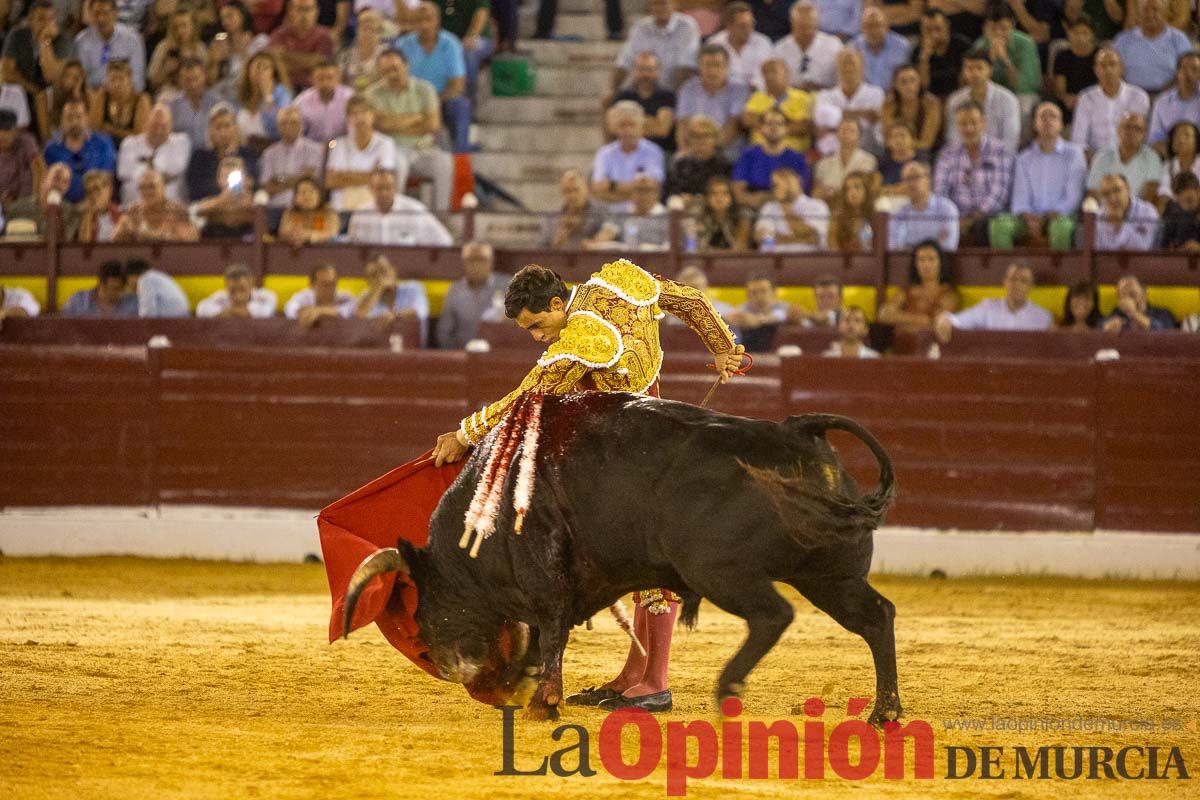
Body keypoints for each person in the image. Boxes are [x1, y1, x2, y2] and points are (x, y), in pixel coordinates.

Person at [430, 259, 741, 715]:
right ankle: (636, 674)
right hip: (647, 433)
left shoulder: (582, 340)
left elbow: (528, 397)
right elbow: (688, 299)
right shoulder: (615, 280)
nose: (538, 337)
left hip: (631, 452)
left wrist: (464, 434)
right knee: (640, 564)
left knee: (651, 561)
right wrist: (724, 347)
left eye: (538, 325)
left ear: (558, 304)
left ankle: (656, 681)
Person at [365, 49, 453, 212]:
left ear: (406, 66)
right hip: (392, 149)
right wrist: (416, 118)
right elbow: (378, 125)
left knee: (444, 162)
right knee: (398, 165)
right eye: (385, 71)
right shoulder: (372, 93)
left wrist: (393, 122)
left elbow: (432, 125)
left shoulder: (425, 89)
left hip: (423, 149)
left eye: (395, 69)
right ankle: (396, 214)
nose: (391, 75)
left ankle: (441, 216)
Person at [991, 102, 1086, 250]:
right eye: (1043, 117)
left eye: (1053, 117)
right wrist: (1029, 218)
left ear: (1061, 125)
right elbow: (1019, 197)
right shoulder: (1023, 158)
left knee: (1060, 228)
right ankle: (1008, 272)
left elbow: (1072, 198)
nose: (1048, 120)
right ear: (1035, 124)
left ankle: (1060, 273)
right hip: (1028, 217)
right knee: (999, 225)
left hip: (1060, 217)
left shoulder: (1074, 155)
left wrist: (1049, 217)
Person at [933, 101, 1015, 246]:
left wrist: (973, 218)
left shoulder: (1001, 151)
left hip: (990, 216)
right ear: (957, 126)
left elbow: (999, 193)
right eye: (963, 124)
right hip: (955, 217)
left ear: (983, 123)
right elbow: (940, 191)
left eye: (973, 122)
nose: (969, 128)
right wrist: (954, 218)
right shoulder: (947, 154)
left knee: (983, 227)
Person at [393, 2, 471, 153]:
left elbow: (457, 85)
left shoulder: (451, 43)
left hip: (442, 98)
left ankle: (460, 156)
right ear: (413, 23)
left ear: (437, 21)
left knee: (461, 105)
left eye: (428, 19)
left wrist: (433, 102)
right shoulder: (402, 45)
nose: (424, 25)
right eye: (419, 20)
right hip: (411, 100)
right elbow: (397, 81)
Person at [934, 261, 1052, 342]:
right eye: (1013, 279)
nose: (1017, 284)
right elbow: (959, 319)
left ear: (1031, 287)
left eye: (1023, 280)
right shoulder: (988, 307)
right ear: (1004, 282)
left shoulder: (1043, 317)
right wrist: (945, 319)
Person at [1070, 47, 1150, 158]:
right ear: (1096, 70)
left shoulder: (1138, 97)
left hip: (1129, 157)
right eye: (1103, 65)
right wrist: (1095, 161)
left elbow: (1140, 137)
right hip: (1094, 160)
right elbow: (1078, 140)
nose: (1108, 70)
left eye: (1112, 64)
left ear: (1121, 68)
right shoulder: (1086, 98)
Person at [610, 0, 700, 96]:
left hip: (677, 91)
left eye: (664, 3)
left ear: (674, 4)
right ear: (649, 6)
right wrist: (612, 92)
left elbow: (686, 67)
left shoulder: (687, 26)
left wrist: (676, 99)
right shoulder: (640, 28)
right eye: (655, 3)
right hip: (646, 93)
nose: (660, 8)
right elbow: (623, 64)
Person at [346, 167, 453, 246]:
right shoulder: (360, 214)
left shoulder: (415, 211)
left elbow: (445, 241)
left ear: (396, 188)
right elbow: (352, 248)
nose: (384, 193)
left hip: (408, 274)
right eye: (379, 188)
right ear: (371, 189)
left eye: (388, 188)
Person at [673, 44, 749, 155]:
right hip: (693, 151)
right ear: (699, 67)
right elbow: (682, 126)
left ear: (726, 67)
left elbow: (732, 128)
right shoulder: (688, 88)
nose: (712, 71)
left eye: (717, 65)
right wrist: (685, 150)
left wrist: (707, 153)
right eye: (707, 65)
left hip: (725, 151)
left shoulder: (738, 90)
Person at [325, 96, 396, 212]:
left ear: (373, 115)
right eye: (354, 114)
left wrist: (344, 175)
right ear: (348, 118)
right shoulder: (338, 144)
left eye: (364, 112)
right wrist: (369, 175)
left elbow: (383, 181)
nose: (359, 117)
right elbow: (331, 181)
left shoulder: (386, 143)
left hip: (372, 210)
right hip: (341, 210)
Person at [590, 101, 665, 210]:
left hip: (644, 214)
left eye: (632, 125)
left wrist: (612, 186)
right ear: (615, 128)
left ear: (641, 126)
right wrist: (636, 191)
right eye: (622, 125)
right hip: (611, 214)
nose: (627, 130)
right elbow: (598, 189)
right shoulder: (604, 153)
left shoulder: (653, 152)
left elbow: (651, 188)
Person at [434, 240, 509, 349]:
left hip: (499, 355)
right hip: (463, 356)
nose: (476, 265)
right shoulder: (455, 290)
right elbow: (444, 332)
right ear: (463, 263)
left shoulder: (508, 286)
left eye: (481, 260)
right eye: (471, 260)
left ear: (491, 262)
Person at [943, 48, 1020, 152]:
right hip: (963, 158)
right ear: (964, 72)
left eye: (979, 68)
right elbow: (952, 137)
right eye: (969, 68)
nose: (974, 73)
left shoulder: (1008, 99)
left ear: (990, 70)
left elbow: (1011, 139)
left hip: (999, 157)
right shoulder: (955, 100)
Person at [732, 108, 810, 210]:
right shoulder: (747, 155)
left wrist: (765, 198)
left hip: (788, 210)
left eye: (779, 124)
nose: (774, 127)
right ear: (760, 128)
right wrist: (753, 200)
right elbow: (738, 192)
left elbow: (798, 193)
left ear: (787, 129)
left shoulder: (798, 159)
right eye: (769, 123)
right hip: (752, 208)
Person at [812, 48, 883, 157]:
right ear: (837, 68)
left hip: (868, 153)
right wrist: (860, 114)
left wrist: (836, 122)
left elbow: (877, 122)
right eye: (844, 63)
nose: (848, 68)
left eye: (852, 63)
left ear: (862, 67)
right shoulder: (824, 96)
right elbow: (822, 126)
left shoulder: (876, 94)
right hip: (831, 156)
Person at [43, 98, 116, 203]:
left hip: (96, 204)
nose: (74, 122)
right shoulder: (51, 149)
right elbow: (49, 184)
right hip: (63, 207)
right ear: (62, 121)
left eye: (79, 117)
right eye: (69, 118)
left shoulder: (103, 144)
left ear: (87, 118)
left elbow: (105, 179)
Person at [116, 102, 190, 205]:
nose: (158, 131)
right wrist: (159, 175)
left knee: (172, 186)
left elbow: (176, 169)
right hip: (135, 201)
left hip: (171, 204)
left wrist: (143, 168)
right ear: (145, 124)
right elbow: (123, 172)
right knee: (129, 186)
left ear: (171, 126)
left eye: (163, 126)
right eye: (155, 126)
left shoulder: (181, 141)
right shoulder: (129, 143)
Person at [1112, 0, 1192, 94]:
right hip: (1130, 98)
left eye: (1155, 10)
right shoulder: (1122, 40)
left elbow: (1187, 73)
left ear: (1164, 13)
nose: (1150, 14)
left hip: (1170, 98)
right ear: (1138, 13)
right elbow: (1114, 74)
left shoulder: (1179, 40)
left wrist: (1163, 97)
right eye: (1145, 10)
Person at [878, 238, 959, 331]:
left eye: (931, 259)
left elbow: (934, 321)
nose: (926, 264)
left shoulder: (949, 294)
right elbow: (883, 315)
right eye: (921, 259)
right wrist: (920, 319)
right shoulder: (907, 291)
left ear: (940, 262)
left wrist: (900, 317)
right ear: (915, 264)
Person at [185, 103, 259, 202]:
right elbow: (195, 190)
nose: (223, 132)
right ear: (210, 131)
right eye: (218, 127)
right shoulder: (199, 157)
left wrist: (231, 154)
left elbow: (252, 183)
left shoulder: (248, 154)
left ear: (235, 128)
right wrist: (222, 190)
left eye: (227, 126)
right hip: (209, 208)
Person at [740, 57, 813, 154]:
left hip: (792, 152)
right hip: (759, 152)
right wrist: (785, 124)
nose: (769, 76)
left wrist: (766, 125)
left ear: (787, 75)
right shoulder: (757, 96)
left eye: (774, 72)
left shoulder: (803, 97)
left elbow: (803, 127)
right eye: (765, 73)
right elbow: (747, 119)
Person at [1, 1, 70, 102]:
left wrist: (44, 41)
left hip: (50, 98)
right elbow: (7, 73)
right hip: (22, 92)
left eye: (50, 19)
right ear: (30, 20)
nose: (46, 24)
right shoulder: (17, 35)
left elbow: (51, 76)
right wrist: (35, 91)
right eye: (41, 19)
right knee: (10, 89)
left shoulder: (62, 41)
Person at [609, 51, 676, 155]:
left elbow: (662, 130)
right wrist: (652, 122)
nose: (645, 74)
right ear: (634, 71)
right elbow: (613, 127)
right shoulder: (622, 95)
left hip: (662, 152)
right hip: (626, 151)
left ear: (658, 71)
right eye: (641, 69)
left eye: (649, 69)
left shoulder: (667, 96)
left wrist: (629, 123)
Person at [258, 105, 324, 210]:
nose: (288, 126)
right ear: (278, 126)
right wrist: (300, 178)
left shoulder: (315, 150)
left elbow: (313, 183)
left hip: (306, 207)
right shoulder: (269, 154)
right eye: (284, 123)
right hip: (276, 209)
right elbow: (267, 188)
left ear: (302, 125)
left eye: (293, 122)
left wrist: (279, 180)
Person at [972, 3, 1041, 102]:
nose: (998, 33)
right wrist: (989, 60)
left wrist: (1006, 60)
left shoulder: (1026, 44)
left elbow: (1024, 87)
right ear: (985, 28)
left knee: (1024, 100)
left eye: (1003, 28)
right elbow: (975, 84)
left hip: (1020, 95)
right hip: (990, 95)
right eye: (992, 29)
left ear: (1013, 25)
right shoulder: (980, 45)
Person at [353, 253, 430, 342]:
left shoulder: (414, 288)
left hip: (412, 350)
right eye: (374, 275)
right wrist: (378, 288)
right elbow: (358, 317)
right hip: (379, 350)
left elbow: (420, 313)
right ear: (368, 282)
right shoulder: (366, 297)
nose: (380, 278)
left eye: (383, 271)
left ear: (394, 271)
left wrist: (394, 315)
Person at [1086, 112, 1162, 203]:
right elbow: (1093, 192)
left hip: (1138, 213)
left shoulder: (1152, 158)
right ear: (1118, 130)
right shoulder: (1102, 156)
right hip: (1106, 211)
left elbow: (1151, 196)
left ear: (1145, 134)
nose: (1131, 132)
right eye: (1127, 127)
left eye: (1137, 129)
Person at [73, 0, 147, 91]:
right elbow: (82, 78)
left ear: (115, 14)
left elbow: (138, 80)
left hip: (125, 93)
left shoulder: (133, 39)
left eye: (105, 13)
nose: (101, 19)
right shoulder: (82, 41)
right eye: (96, 14)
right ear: (90, 15)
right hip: (94, 94)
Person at [754, 166, 830, 253]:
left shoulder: (817, 205)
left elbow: (814, 239)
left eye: (785, 179)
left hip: (805, 260)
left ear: (798, 180)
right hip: (774, 261)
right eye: (775, 184)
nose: (781, 185)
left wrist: (785, 205)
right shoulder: (769, 207)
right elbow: (762, 238)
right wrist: (800, 239)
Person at [585, 173, 669, 251]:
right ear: (631, 193)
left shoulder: (668, 218)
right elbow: (605, 234)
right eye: (637, 190)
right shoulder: (619, 215)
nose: (642, 194)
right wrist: (594, 244)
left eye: (647, 190)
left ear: (657, 193)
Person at [888, 160, 959, 250]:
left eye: (916, 177)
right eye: (907, 179)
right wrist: (935, 242)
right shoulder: (899, 213)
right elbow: (895, 248)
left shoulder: (947, 209)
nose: (911, 183)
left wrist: (911, 247)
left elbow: (948, 246)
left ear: (928, 180)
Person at [112, 167, 198, 241]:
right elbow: (114, 242)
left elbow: (190, 241)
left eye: (152, 187)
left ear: (163, 188)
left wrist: (153, 238)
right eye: (142, 187)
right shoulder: (133, 212)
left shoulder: (178, 211)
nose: (146, 191)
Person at [772, 1, 842, 91]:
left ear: (817, 23)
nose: (806, 32)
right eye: (802, 26)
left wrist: (820, 89)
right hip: (791, 100)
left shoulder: (833, 45)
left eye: (809, 25)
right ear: (792, 24)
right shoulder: (780, 48)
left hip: (825, 99)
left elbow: (844, 82)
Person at [267, 0, 332, 91]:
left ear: (316, 11)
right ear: (290, 11)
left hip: (314, 88)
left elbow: (321, 63)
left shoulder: (324, 35)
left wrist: (286, 56)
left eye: (308, 9)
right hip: (285, 87)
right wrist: (309, 61)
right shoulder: (278, 34)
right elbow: (274, 63)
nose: (304, 14)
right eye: (299, 9)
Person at [663, 115, 732, 201]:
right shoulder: (680, 165)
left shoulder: (725, 166)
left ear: (715, 139)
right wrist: (680, 197)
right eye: (695, 136)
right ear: (689, 139)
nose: (701, 140)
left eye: (706, 135)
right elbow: (669, 193)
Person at [87, 58, 149, 152]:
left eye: (120, 78)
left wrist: (111, 130)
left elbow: (139, 137)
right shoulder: (102, 96)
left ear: (129, 79)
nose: (116, 84)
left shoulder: (141, 100)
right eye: (112, 79)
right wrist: (126, 133)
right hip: (105, 148)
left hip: (133, 149)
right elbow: (94, 129)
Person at [235, 51, 292, 152]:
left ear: (273, 72)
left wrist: (267, 96)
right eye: (257, 67)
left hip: (272, 148)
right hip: (243, 149)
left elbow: (279, 128)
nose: (260, 71)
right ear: (249, 70)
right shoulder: (239, 93)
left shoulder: (281, 93)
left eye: (266, 68)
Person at [707, 2, 772, 90]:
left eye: (751, 24)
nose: (748, 30)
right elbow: (712, 75)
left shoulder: (763, 43)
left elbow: (763, 77)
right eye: (743, 26)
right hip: (723, 95)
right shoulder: (714, 44)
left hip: (755, 96)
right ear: (729, 26)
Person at [911, 6, 971, 99]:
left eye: (938, 29)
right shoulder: (917, 51)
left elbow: (967, 80)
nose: (934, 35)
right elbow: (922, 87)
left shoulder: (962, 45)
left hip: (959, 96)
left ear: (947, 26)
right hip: (931, 98)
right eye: (928, 30)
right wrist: (924, 59)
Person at [881, 64, 941, 155]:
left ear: (919, 82)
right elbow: (887, 140)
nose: (909, 86)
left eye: (913, 80)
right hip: (895, 153)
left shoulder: (931, 104)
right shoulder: (889, 105)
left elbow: (927, 143)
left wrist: (901, 144)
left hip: (924, 153)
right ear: (895, 85)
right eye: (903, 82)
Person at [537, 169, 605, 249]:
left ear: (586, 189)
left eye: (576, 190)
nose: (572, 196)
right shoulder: (551, 217)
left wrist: (593, 244)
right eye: (567, 191)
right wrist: (555, 244)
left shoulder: (601, 213)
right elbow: (540, 249)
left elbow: (612, 238)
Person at [813, 117, 878, 202]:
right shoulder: (823, 163)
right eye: (843, 130)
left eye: (851, 130)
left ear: (859, 136)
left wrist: (834, 192)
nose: (846, 133)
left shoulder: (869, 160)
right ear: (837, 134)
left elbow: (866, 190)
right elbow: (816, 193)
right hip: (829, 205)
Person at [724, 271, 792, 349]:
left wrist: (759, 320)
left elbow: (781, 315)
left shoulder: (786, 308)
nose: (759, 297)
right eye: (754, 293)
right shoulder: (741, 311)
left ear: (774, 292)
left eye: (763, 291)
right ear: (747, 295)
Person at [147, 8, 206, 96]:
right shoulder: (163, 47)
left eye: (184, 26)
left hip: (195, 93)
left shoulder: (199, 48)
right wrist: (165, 70)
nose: (180, 31)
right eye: (176, 27)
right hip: (169, 93)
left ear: (192, 26)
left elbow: (208, 80)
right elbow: (152, 81)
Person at [851, 6, 912, 92]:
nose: (873, 31)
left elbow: (908, 77)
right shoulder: (853, 47)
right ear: (862, 28)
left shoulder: (902, 46)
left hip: (894, 96)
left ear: (886, 26)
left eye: (877, 25)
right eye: (868, 26)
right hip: (865, 97)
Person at [1051, 14, 1098, 123]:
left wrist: (1083, 100)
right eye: (1076, 33)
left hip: (1095, 100)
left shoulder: (1100, 55)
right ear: (1069, 34)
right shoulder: (1062, 56)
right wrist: (1065, 97)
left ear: (1092, 35)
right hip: (1070, 103)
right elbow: (1059, 87)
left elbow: (1104, 84)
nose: (1080, 37)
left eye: (1085, 33)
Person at [1148, 52, 1200, 152]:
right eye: (1184, 68)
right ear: (1177, 72)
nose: (1188, 73)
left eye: (1194, 69)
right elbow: (1153, 140)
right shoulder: (1162, 102)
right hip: (1169, 159)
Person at [1096, 173, 1160, 250]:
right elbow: (1096, 251)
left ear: (1128, 189)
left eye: (1117, 190)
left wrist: (1119, 225)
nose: (1112, 198)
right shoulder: (1098, 216)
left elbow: (1144, 249)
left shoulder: (1147, 212)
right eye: (1106, 194)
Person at [294, 60, 352, 145]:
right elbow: (297, 134)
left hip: (344, 147)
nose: (325, 83)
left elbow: (355, 131)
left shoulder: (350, 98)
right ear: (312, 79)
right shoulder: (301, 102)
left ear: (338, 78)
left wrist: (333, 145)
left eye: (330, 78)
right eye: (320, 78)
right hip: (312, 148)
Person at [170, 58, 222, 151]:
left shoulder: (216, 102)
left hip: (210, 154)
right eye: (187, 80)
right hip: (183, 156)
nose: (193, 84)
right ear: (180, 80)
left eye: (196, 79)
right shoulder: (173, 106)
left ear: (204, 76)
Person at [196, 262, 278, 318]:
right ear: (226, 286)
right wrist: (229, 312)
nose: (238, 296)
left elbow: (267, 312)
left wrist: (232, 312)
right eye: (232, 291)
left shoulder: (265, 296)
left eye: (242, 289)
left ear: (251, 284)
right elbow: (201, 309)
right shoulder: (220, 296)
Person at [285, 263, 357, 326]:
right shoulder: (303, 296)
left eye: (332, 284)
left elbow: (346, 311)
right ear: (312, 285)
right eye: (324, 284)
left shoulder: (346, 297)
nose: (330, 288)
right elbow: (290, 309)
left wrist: (318, 311)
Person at [60, 259, 138, 316]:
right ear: (102, 285)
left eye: (122, 288)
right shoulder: (79, 300)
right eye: (115, 288)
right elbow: (64, 325)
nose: (120, 292)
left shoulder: (132, 303)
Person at [277, 174, 338, 245]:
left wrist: (309, 236)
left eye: (311, 191)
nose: (307, 196)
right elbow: (283, 233)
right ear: (295, 197)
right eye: (302, 192)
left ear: (320, 194)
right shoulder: (291, 212)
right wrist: (292, 236)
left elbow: (332, 234)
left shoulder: (328, 212)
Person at [694, 174, 751, 251]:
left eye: (725, 193)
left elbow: (739, 249)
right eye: (714, 193)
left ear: (732, 198)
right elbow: (695, 248)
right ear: (707, 198)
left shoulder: (742, 220)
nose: (719, 198)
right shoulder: (699, 218)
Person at [1101, 274, 1177, 330]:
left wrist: (1133, 314)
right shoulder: (1117, 313)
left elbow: (1165, 331)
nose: (1128, 299)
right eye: (1123, 296)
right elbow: (1100, 325)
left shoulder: (1162, 313)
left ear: (1144, 292)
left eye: (1132, 294)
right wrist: (1106, 326)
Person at [337, 7, 387, 90]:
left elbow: (387, 82)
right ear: (357, 31)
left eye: (372, 30)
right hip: (351, 97)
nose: (367, 34)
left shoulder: (386, 54)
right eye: (364, 29)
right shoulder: (346, 54)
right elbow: (339, 81)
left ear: (380, 34)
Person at [1154, 121, 1200, 211]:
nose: (1181, 139)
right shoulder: (1168, 165)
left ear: (1196, 141)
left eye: (1187, 135)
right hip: (1176, 213)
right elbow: (1164, 195)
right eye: (1177, 135)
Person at [0, 109, 40, 210]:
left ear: (15, 130)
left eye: (7, 130)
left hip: (29, 202)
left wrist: (34, 199)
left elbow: (38, 169)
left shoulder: (26, 141)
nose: (4, 134)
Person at [124, 256, 189, 317]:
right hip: (179, 318)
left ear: (131, 276)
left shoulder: (146, 279)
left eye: (127, 280)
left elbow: (147, 313)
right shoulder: (155, 276)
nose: (129, 285)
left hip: (173, 321)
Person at [827, 170, 875, 253]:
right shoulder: (837, 219)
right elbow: (832, 249)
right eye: (847, 189)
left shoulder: (876, 217)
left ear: (866, 190)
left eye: (857, 187)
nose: (852, 192)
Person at [76, 168, 121, 241]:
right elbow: (82, 246)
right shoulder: (80, 215)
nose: (93, 195)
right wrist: (88, 216)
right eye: (89, 191)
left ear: (109, 189)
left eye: (96, 189)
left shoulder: (120, 214)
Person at [1160, 172, 1200, 250]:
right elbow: (1164, 248)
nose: (1187, 206)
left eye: (1190, 200)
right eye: (1182, 202)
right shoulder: (1172, 215)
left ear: (1198, 192)